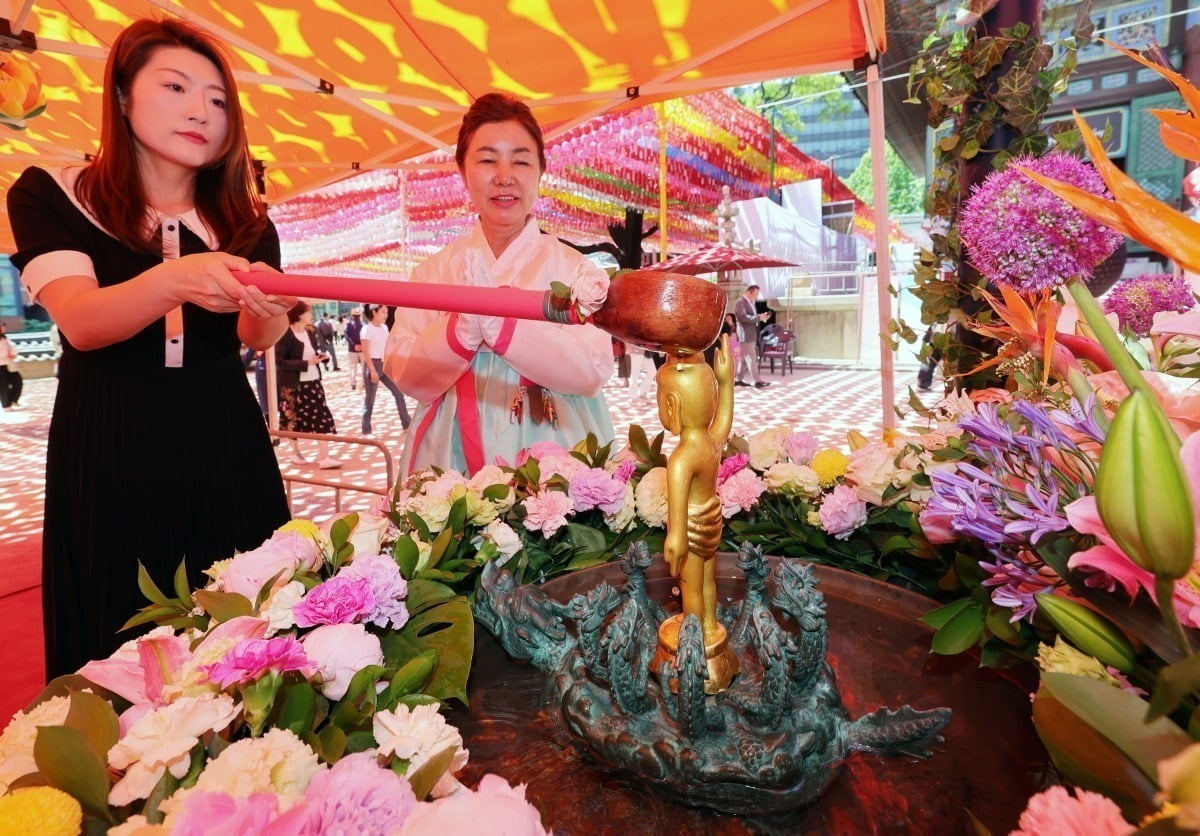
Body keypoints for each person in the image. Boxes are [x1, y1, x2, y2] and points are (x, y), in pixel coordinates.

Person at [6, 18, 294, 678]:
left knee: (247, 637)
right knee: (121, 657)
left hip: (227, 441)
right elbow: (81, 321)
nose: (201, 111)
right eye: (175, 87)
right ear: (122, 95)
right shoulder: (53, 193)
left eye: (219, 99)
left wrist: (269, 312)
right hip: (110, 444)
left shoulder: (248, 223)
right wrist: (174, 279)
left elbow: (254, 338)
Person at [385, 93, 614, 475]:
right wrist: (459, 330)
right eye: (488, 159)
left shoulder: (575, 270)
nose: (504, 176)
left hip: (556, 449)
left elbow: (593, 370)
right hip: (448, 453)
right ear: (462, 171)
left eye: (521, 160)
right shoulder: (434, 271)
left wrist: (501, 326)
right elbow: (405, 371)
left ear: (540, 170)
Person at [658, 337, 733, 646]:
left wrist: (675, 539)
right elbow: (725, 419)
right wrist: (726, 382)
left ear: (672, 405)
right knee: (708, 582)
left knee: (691, 588)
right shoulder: (711, 441)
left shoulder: (681, 459)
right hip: (712, 521)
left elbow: (676, 519)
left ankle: (694, 640)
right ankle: (710, 625)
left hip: (690, 529)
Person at [276, 301, 340, 468]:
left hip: (313, 381)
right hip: (294, 384)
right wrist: (305, 363)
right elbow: (280, 361)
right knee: (292, 418)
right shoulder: (285, 334)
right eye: (308, 312)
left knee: (321, 415)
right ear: (299, 314)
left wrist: (320, 358)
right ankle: (295, 453)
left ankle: (324, 456)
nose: (310, 315)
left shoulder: (310, 332)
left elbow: (311, 354)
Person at [361, 303, 410, 436]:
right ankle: (366, 430)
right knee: (370, 400)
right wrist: (372, 370)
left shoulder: (384, 328)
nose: (386, 315)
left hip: (384, 364)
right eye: (383, 312)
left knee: (399, 394)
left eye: (386, 312)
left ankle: (407, 424)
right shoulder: (366, 329)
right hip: (373, 364)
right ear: (374, 312)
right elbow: (365, 352)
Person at [733, 284, 770, 388]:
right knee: (751, 357)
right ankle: (757, 381)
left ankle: (738, 379)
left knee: (745, 359)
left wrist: (760, 317)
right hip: (745, 335)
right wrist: (758, 318)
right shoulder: (740, 302)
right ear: (749, 292)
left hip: (751, 334)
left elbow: (751, 317)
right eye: (755, 294)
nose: (756, 297)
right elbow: (743, 317)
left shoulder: (750, 302)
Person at [0, 322, 22, 410]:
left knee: (18, 382)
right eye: (2, 327)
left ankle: (13, 399)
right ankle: (6, 404)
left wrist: (13, 353)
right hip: (1, 364)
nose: (4, 328)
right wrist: (5, 355)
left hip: (9, 363)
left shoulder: (5, 338)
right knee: (3, 385)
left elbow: (12, 348)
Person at [344, 306, 364, 391]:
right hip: (363, 349)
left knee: (353, 367)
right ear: (360, 315)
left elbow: (346, 336)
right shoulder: (364, 325)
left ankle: (353, 383)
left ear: (352, 315)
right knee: (364, 366)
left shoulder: (348, 325)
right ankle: (364, 383)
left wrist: (354, 345)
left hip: (352, 349)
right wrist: (361, 345)